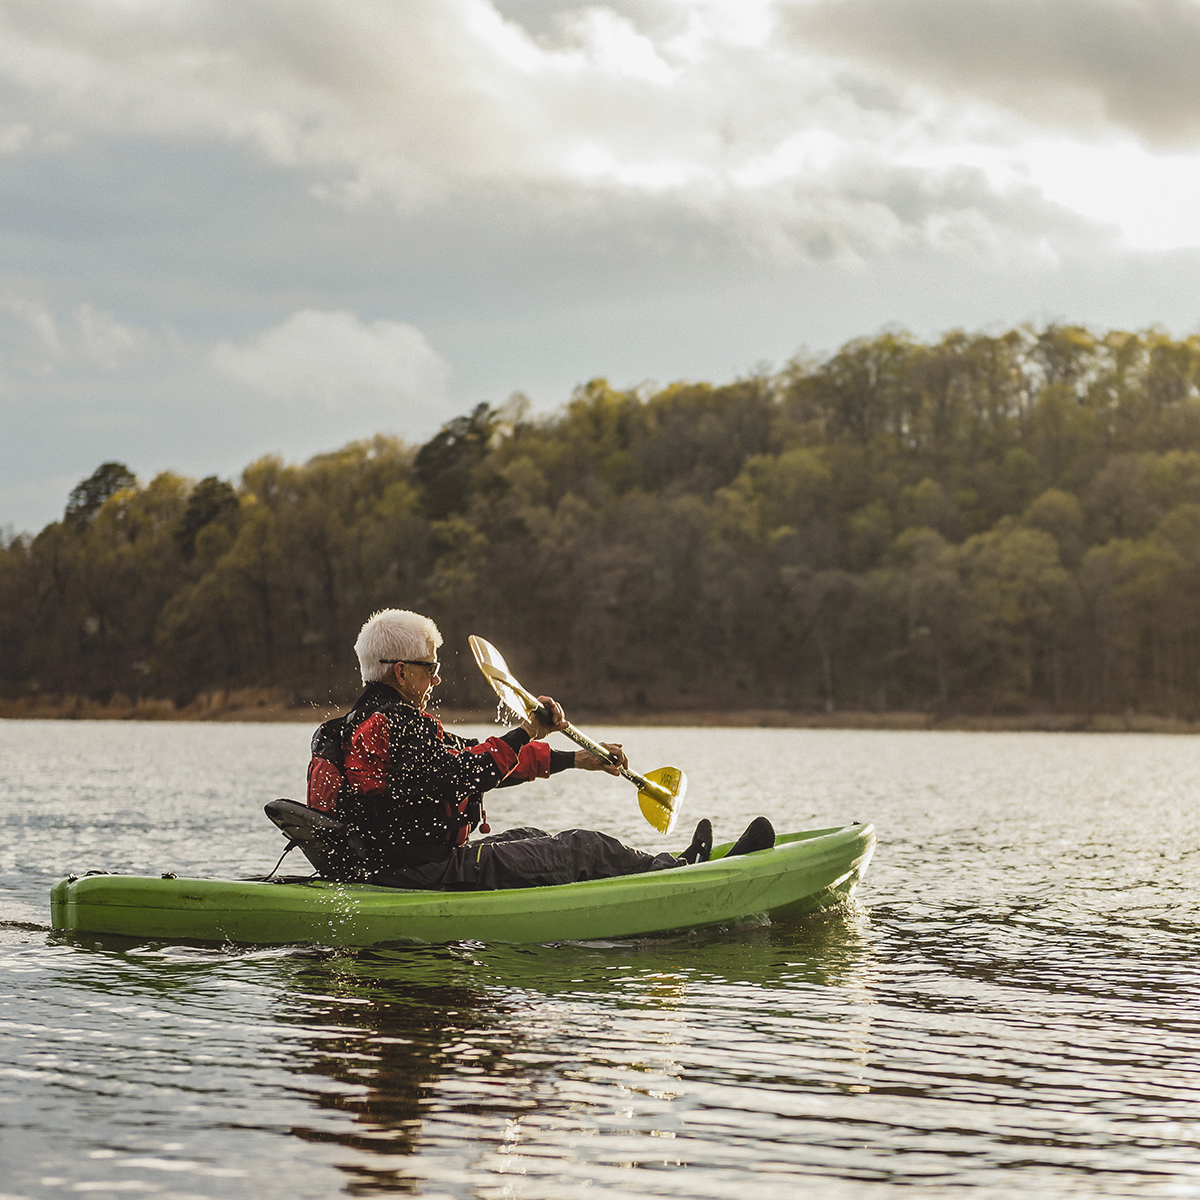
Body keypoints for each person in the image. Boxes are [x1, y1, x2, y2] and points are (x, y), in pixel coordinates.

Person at [292, 608, 774, 891]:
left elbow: (476, 756)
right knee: (584, 847)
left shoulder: (362, 724)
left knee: (531, 832)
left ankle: (661, 870)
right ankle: (682, 877)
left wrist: (575, 759)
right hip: (423, 874)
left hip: (404, 866)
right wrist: (529, 731)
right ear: (401, 671)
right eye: (429, 667)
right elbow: (470, 772)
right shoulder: (395, 728)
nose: (436, 677)